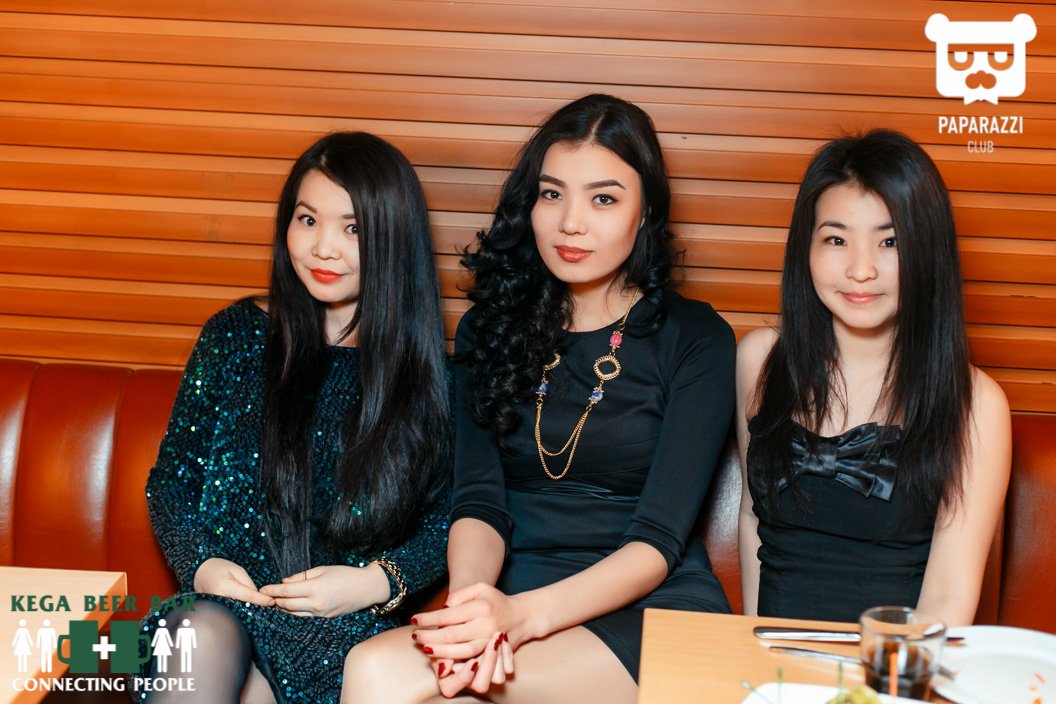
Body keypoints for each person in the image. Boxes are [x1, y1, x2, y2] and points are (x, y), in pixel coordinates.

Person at [344, 93, 734, 703]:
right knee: (372, 667)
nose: (570, 222)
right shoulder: (490, 329)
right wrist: (473, 609)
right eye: (552, 194)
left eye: (603, 199)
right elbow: (479, 501)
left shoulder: (697, 338)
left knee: (398, 677)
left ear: (646, 213)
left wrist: (521, 619)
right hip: (511, 600)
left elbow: (657, 542)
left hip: (651, 611)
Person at [138, 132, 452, 703]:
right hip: (220, 612)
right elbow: (170, 483)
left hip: (343, 634)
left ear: (393, 238)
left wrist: (374, 582)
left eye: (353, 229)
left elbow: (452, 520)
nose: (323, 248)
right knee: (195, 635)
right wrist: (202, 566)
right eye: (308, 220)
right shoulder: (235, 337)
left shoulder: (429, 378)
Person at [736, 130, 1011, 625]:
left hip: (890, 664)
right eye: (836, 239)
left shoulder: (976, 403)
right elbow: (752, 517)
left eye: (890, 242)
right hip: (769, 659)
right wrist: (752, 648)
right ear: (805, 248)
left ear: (927, 251)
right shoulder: (759, 359)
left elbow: (948, 599)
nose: (860, 270)